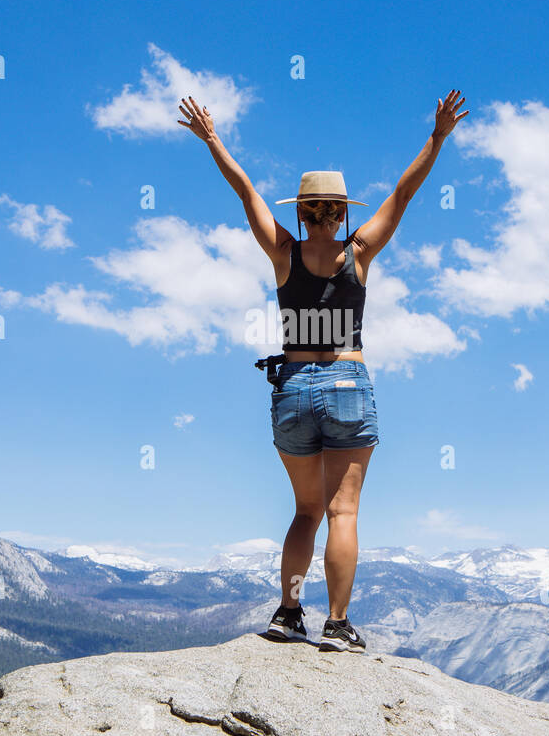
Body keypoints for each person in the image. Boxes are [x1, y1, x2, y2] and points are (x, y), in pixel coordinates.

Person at [177, 91, 468, 652]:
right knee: (344, 510)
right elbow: (404, 193)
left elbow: (246, 191)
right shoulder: (358, 254)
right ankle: (336, 625)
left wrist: (212, 139)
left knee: (305, 511)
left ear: (302, 212)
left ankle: (288, 614)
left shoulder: (282, 254)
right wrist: (437, 138)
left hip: (291, 386)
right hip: (346, 383)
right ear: (342, 212)